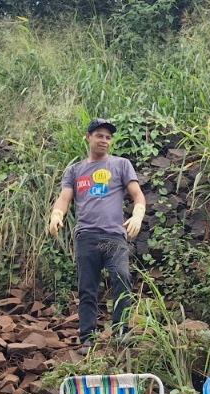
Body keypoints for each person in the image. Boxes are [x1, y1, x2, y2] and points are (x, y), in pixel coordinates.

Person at [47, 118, 146, 346]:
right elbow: (64, 198)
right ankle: (87, 338)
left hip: (113, 236)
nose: (104, 140)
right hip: (87, 236)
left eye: (108, 137)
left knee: (122, 277)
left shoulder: (121, 165)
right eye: (99, 135)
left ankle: (121, 333)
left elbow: (137, 195)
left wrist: (138, 214)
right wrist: (56, 215)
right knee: (87, 288)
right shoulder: (75, 171)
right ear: (88, 137)